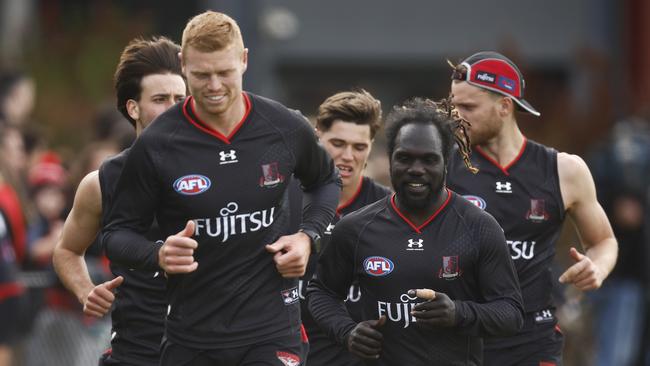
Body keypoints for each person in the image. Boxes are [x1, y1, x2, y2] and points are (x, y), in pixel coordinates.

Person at [101, 11, 339, 366]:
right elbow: (116, 234)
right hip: (193, 337)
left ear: (243, 61)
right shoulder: (158, 143)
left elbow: (324, 181)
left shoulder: (284, 127)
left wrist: (308, 237)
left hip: (271, 332)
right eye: (201, 75)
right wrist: (158, 254)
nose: (214, 86)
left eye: (225, 73)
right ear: (183, 65)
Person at [307, 97, 524, 365]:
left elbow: (511, 313)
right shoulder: (356, 227)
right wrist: (347, 331)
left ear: (446, 162)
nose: (416, 170)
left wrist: (458, 313)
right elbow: (321, 292)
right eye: (405, 158)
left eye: (429, 160)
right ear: (390, 160)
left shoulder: (478, 226)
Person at [447, 51, 618, 366]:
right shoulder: (442, 166)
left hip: (532, 341)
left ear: (504, 107)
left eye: (467, 107)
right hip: (460, 339)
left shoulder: (565, 170)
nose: (456, 115)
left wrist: (597, 268)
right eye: (453, 105)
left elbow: (604, 241)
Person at [52, 36, 187, 366]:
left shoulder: (224, 168)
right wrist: (86, 290)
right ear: (133, 107)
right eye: (160, 99)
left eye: (180, 98)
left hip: (207, 350)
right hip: (135, 352)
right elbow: (67, 250)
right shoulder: (102, 182)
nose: (174, 108)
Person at [297, 89, 391, 366]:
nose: (347, 156)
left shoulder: (389, 208)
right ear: (317, 137)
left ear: (371, 147)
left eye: (359, 147)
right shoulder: (283, 200)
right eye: (337, 143)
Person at [587, 116, 650, 366]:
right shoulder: (621, 151)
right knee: (616, 354)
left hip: (630, 272)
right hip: (625, 273)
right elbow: (626, 211)